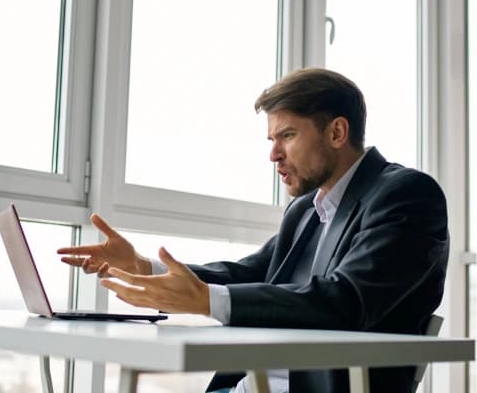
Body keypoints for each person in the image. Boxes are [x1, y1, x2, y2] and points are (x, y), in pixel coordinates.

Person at [57, 68, 449, 393]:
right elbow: (249, 274)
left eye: (288, 136)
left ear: (336, 133)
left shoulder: (406, 195)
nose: (273, 154)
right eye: (272, 139)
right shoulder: (305, 211)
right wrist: (147, 269)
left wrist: (206, 301)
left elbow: (347, 301)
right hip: (252, 385)